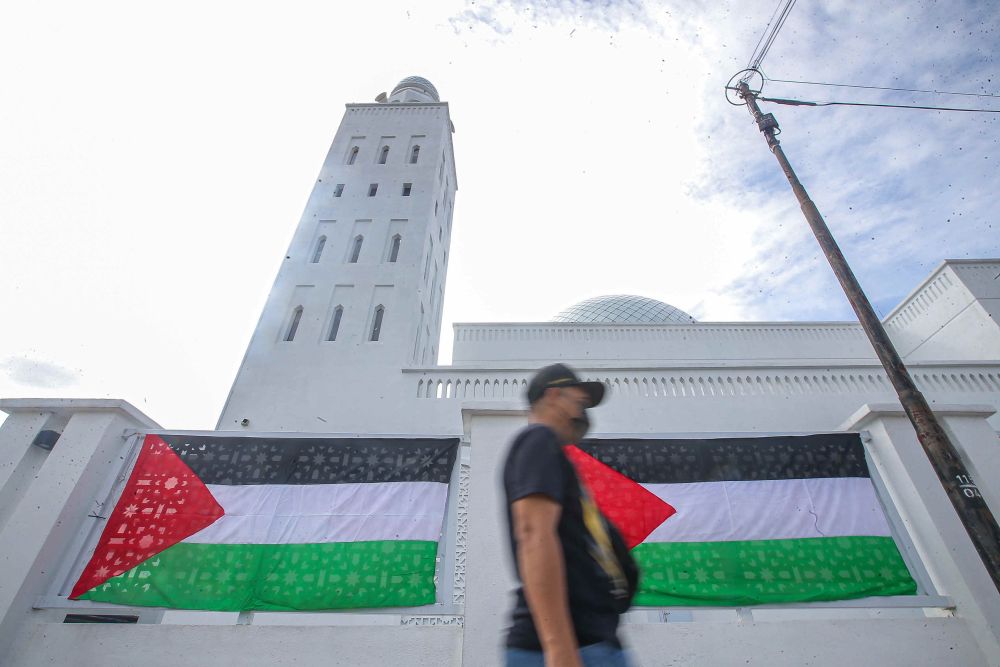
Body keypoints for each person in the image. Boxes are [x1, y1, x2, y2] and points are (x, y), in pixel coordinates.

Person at [502, 363, 637, 667]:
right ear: (553, 396)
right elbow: (533, 534)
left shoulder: (558, 459)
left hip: (592, 643)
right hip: (568, 649)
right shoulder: (538, 439)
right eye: (579, 402)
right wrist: (558, 647)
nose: (583, 413)